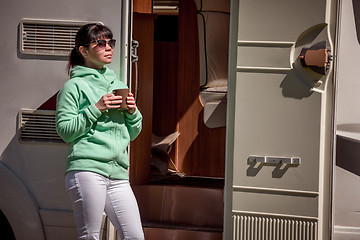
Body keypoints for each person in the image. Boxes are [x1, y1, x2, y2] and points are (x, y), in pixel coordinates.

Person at [56, 23, 144, 240]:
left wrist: (132, 112)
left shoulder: (118, 83)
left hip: (118, 173)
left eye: (110, 42)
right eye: (101, 43)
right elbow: (65, 131)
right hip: (87, 169)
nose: (108, 48)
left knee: (135, 236)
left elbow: (131, 133)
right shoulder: (73, 87)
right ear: (83, 51)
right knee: (90, 236)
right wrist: (96, 108)